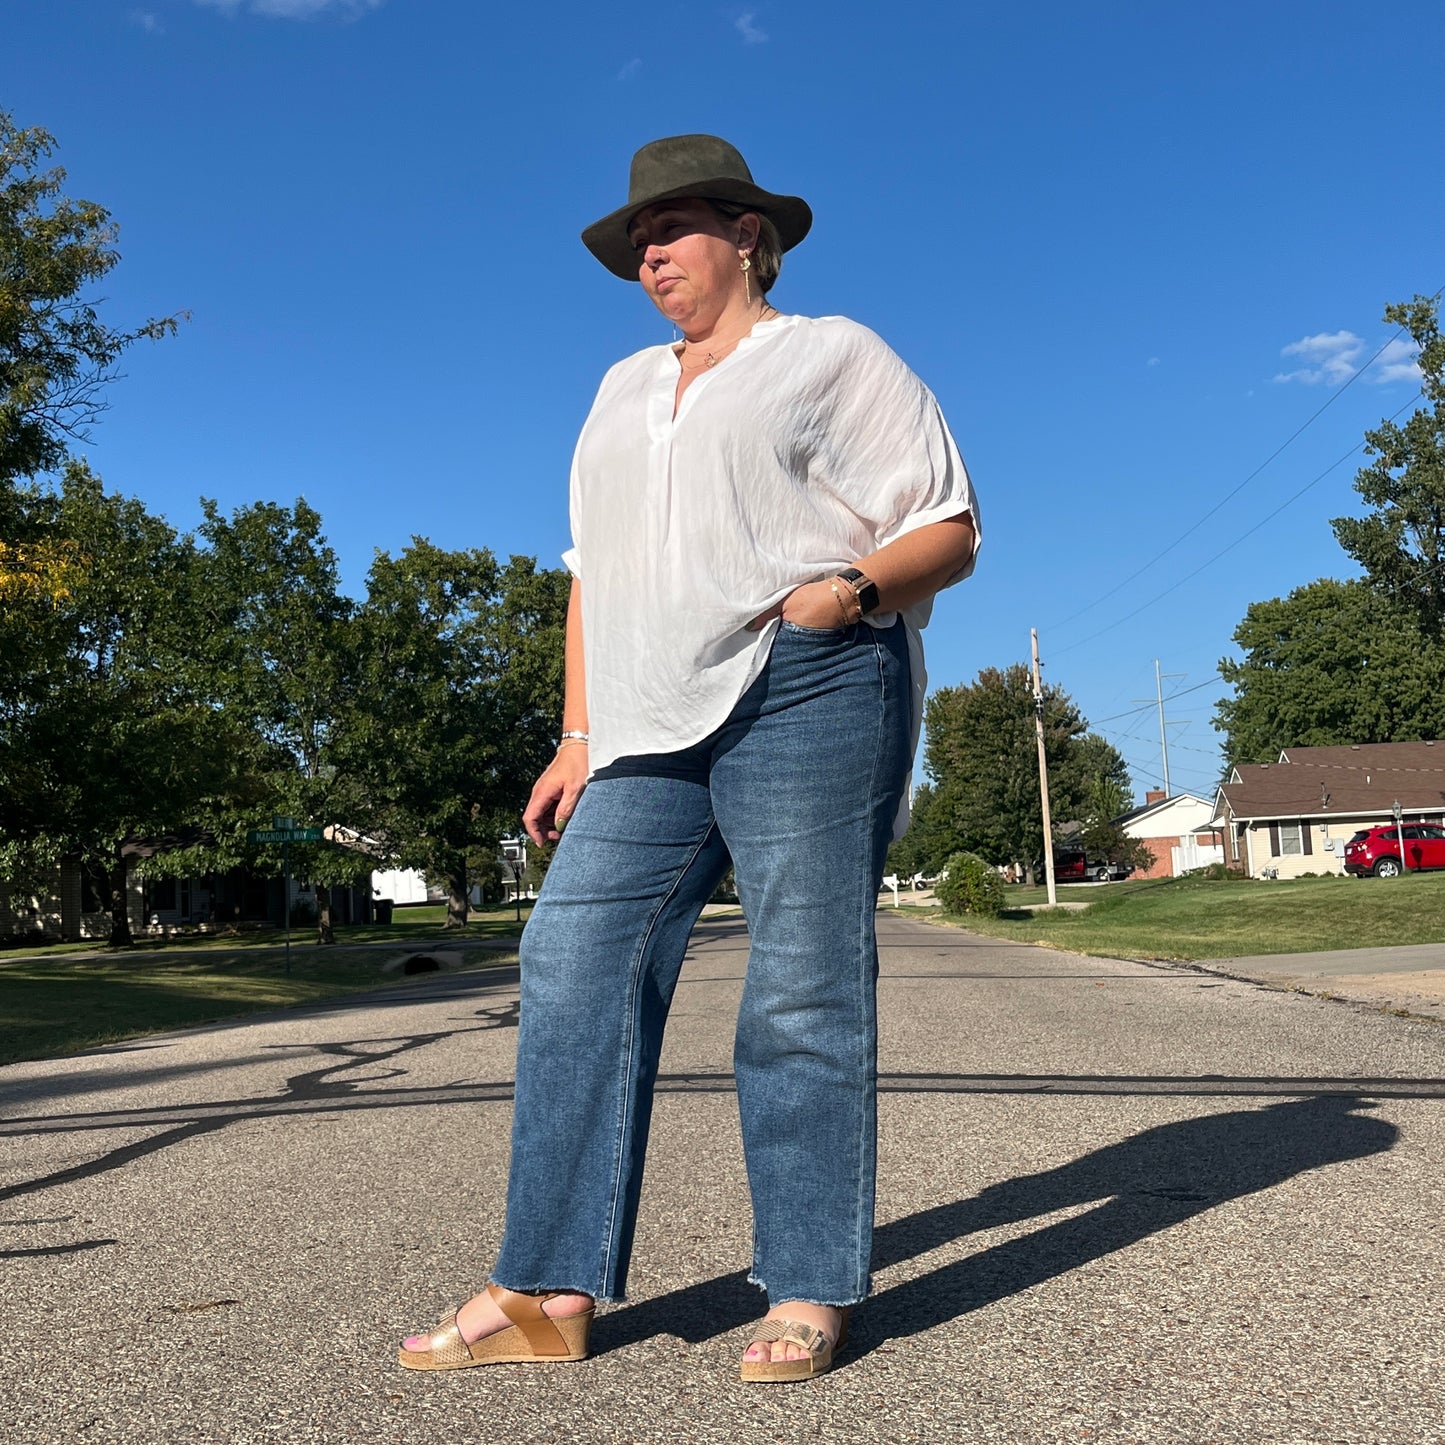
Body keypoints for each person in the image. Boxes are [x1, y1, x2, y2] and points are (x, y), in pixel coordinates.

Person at [399, 133, 980, 1383]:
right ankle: (549, 1284)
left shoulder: (831, 354)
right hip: (645, 718)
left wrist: (846, 589)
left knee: (799, 985)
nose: (649, 253)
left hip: (809, 683)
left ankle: (812, 1280)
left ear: (749, 233)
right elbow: (589, 576)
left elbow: (947, 526)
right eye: (634, 240)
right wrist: (576, 729)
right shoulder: (616, 387)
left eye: (672, 228)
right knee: (569, 957)